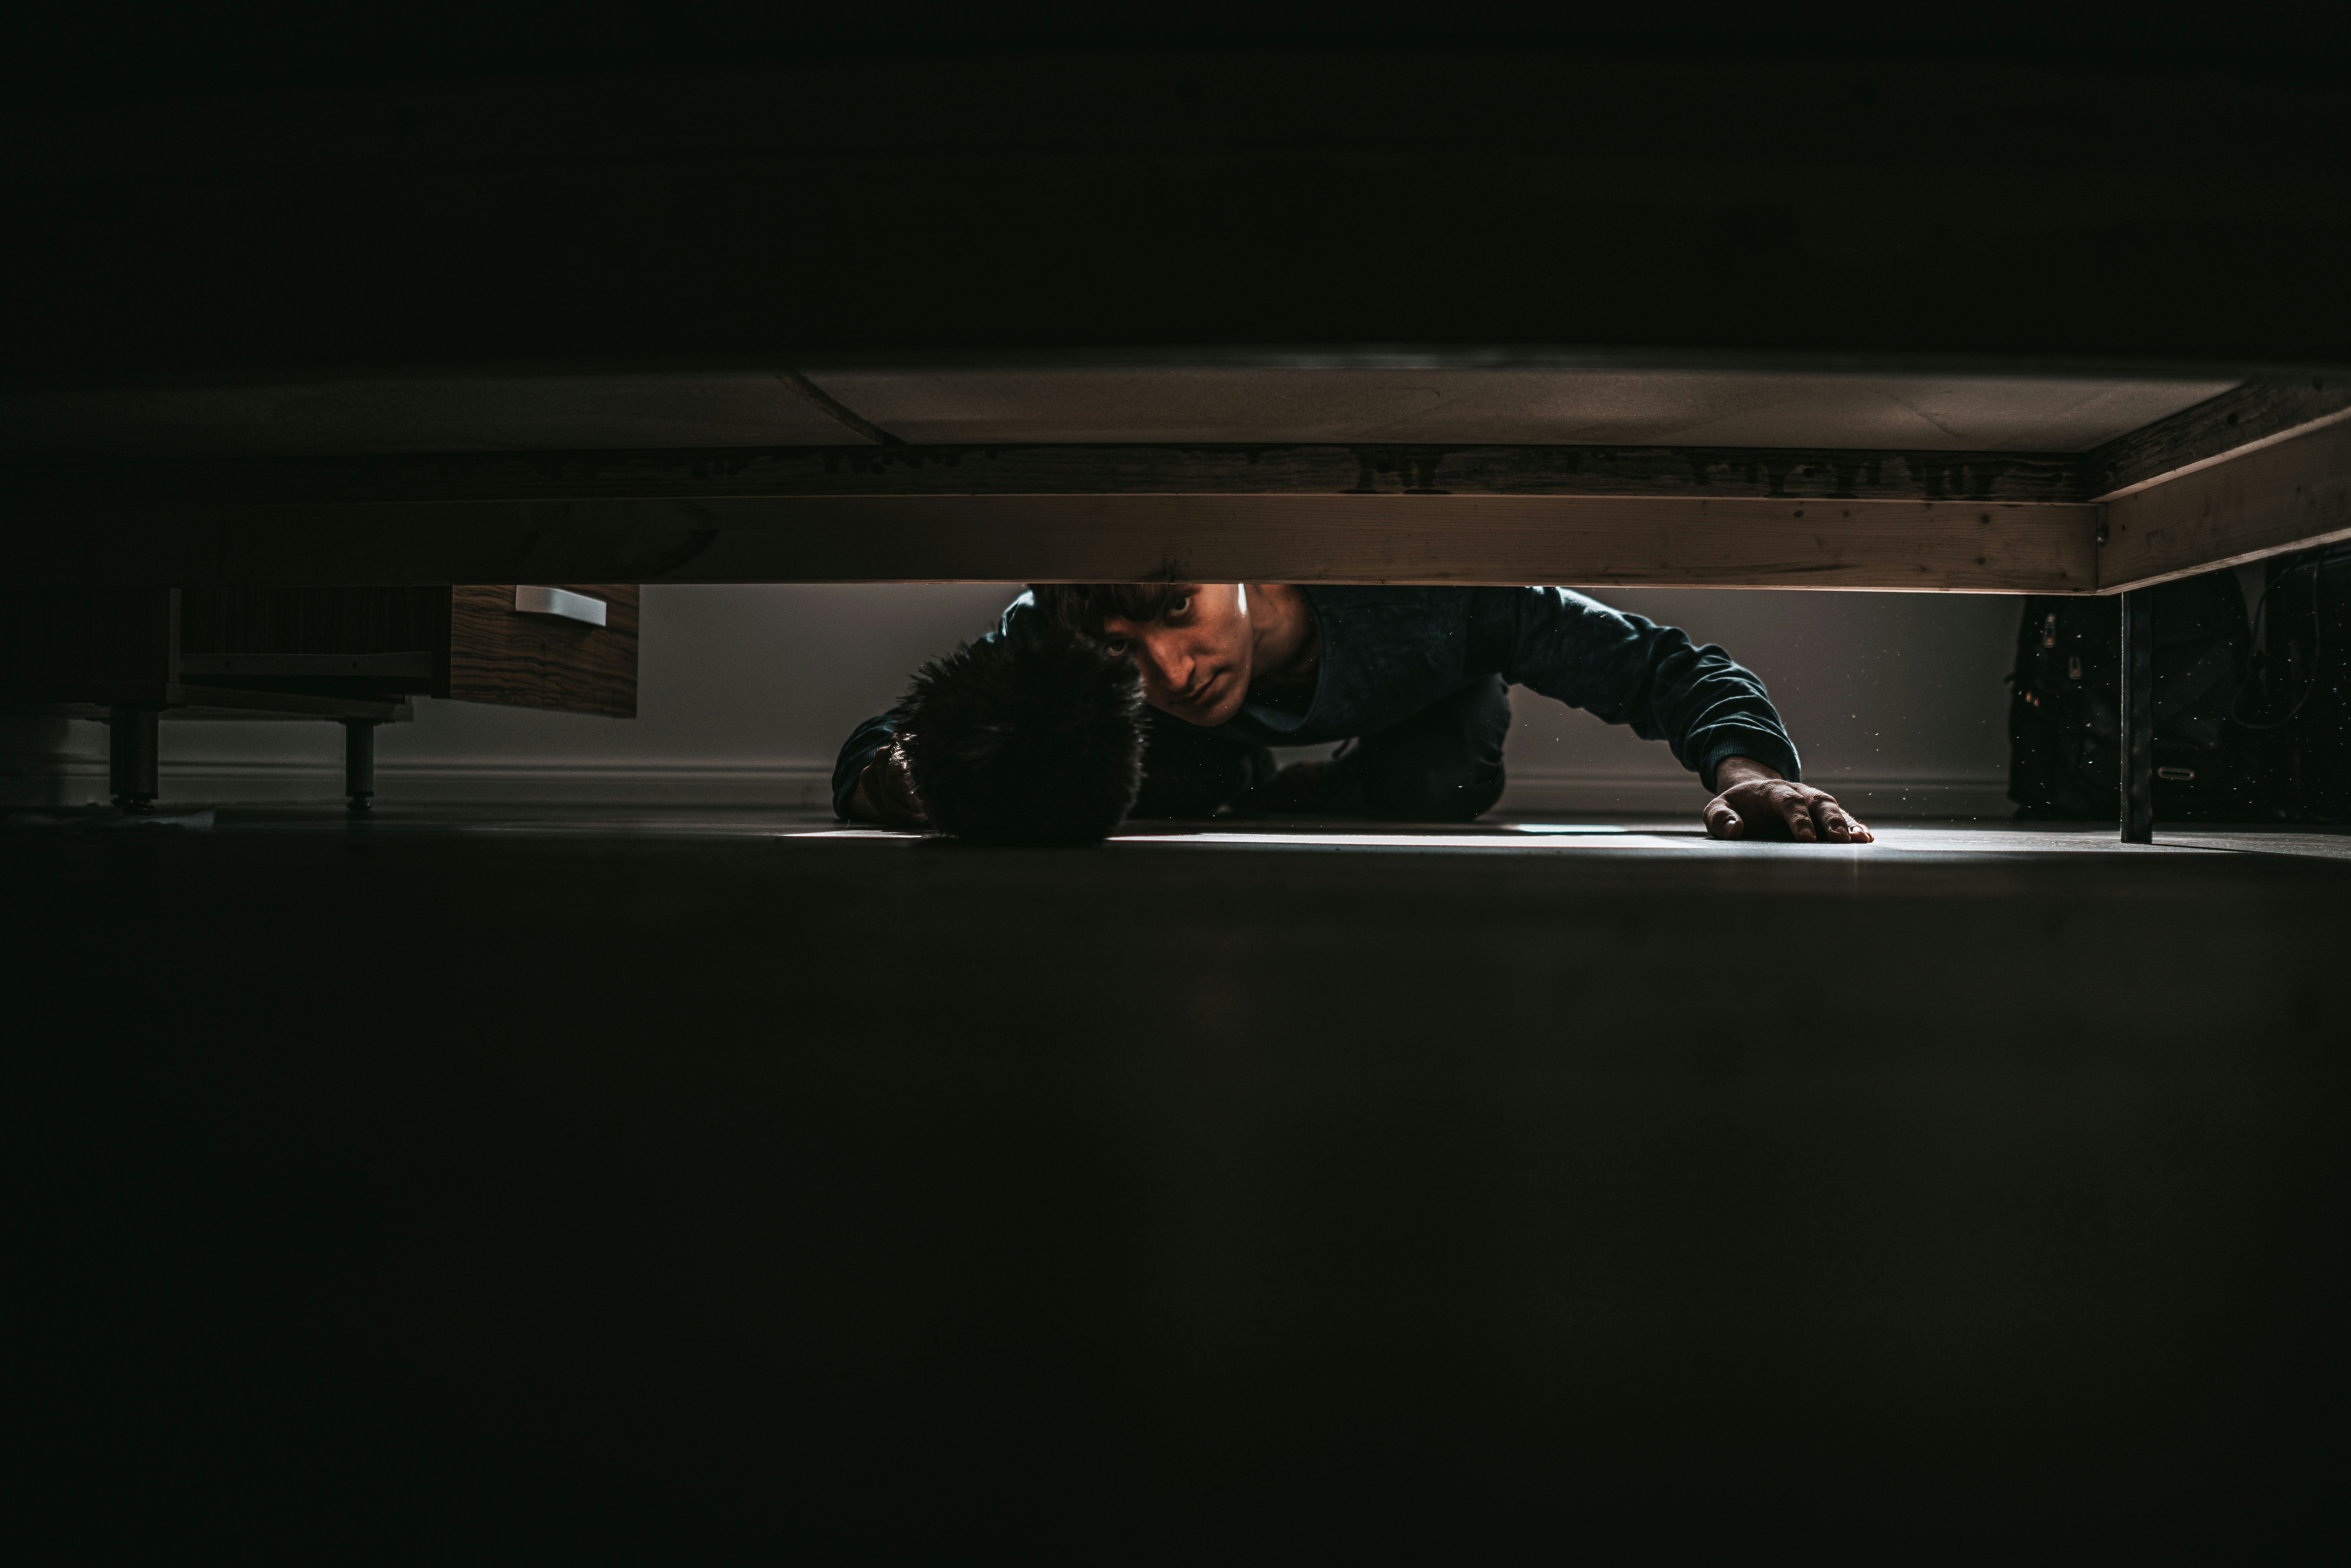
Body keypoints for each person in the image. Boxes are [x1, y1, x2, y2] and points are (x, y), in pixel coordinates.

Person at [836, 583, 1872, 843]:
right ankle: (1242, 782)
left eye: (1174, 611)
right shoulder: (1057, 629)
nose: (1167, 664)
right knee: (1146, 781)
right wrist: (927, 781)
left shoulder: (1426, 593)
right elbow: (879, 743)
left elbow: (1654, 666)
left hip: (1418, 717)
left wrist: (1746, 772)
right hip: (1205, 766)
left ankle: (1332, 784)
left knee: (1442, 783)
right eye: (1123, 649)